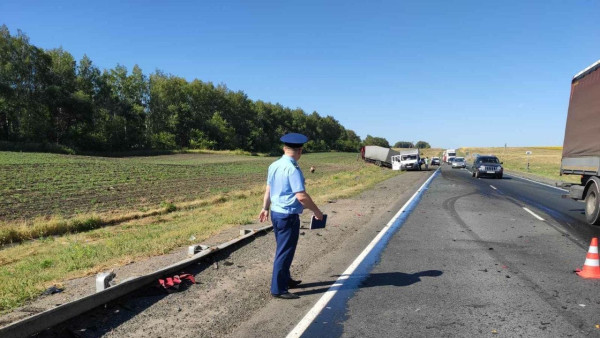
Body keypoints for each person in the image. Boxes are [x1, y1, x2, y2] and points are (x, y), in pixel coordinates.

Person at [258, 133, 323, 300]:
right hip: (288, 216)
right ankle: (278, 289)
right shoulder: (292, 168)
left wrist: (265, 208)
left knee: (283, 249)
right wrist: (316, 211)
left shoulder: (274, 165)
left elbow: (268, 189)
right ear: (299, 150)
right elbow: (301, 196)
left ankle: (286, 279)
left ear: (284, 148)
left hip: (277, 213)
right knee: (285, 252)